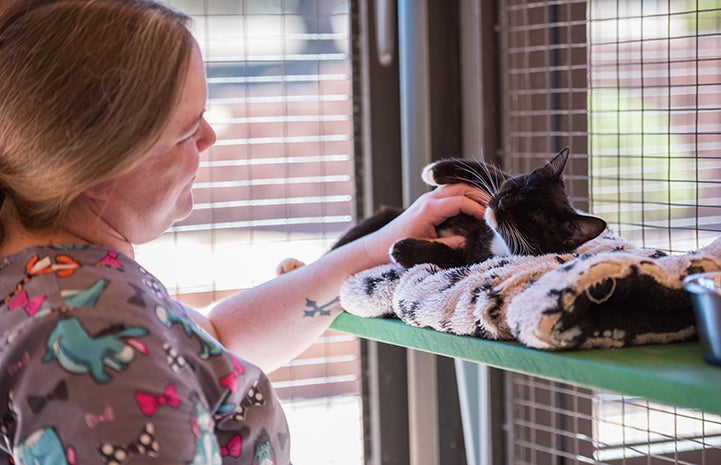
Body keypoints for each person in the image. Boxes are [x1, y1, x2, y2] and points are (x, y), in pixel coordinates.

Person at [0, 1, 488, 464]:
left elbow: (214, 339)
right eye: (188, 131)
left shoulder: (49, 278)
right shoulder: (94, 336)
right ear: (99, 166)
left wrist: (376, 248)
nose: (210, 138)